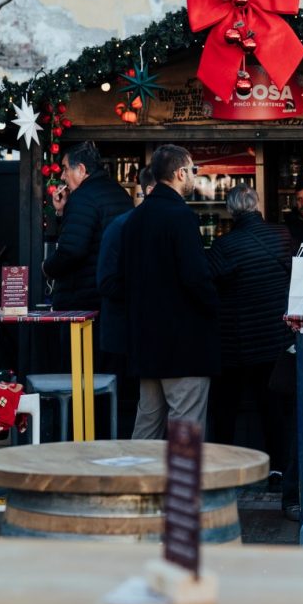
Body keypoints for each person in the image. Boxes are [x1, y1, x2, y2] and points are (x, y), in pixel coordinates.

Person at [121, 145, 219, 438]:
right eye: (192, 170)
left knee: (147, 426)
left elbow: (124, 277)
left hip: (145, 342)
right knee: (185, 427)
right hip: (183, 344)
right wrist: (214, 306)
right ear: (180, 173)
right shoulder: (180, 215)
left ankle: (137, 471)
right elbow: (195, 277)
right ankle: (182, 474)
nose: (194, 176)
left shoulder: (134, 218)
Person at [207, 184, 293, 466]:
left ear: (230, 210)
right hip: (275, 337)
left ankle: (223, 464)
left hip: (236, 341)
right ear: (257, 204)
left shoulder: (224, 246)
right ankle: (277, 468)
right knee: (272, 407)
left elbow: (209, 286)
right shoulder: (282, 235)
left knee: (225, 406)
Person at [96, 166, 157, 438]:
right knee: (130, 410)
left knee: (147, 411)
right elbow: (106, 281)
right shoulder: (122, 226)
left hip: (143, 337)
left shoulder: (130, 225)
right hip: (125, 336)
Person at [44, 141, 133, 311]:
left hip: (84, 300)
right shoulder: (120, 192)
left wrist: (47, 267)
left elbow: (72, 250)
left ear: (81, 169)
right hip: (114, 294)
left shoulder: (81, 198)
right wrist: (62, 211)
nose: (62, 176)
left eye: (65, 169)